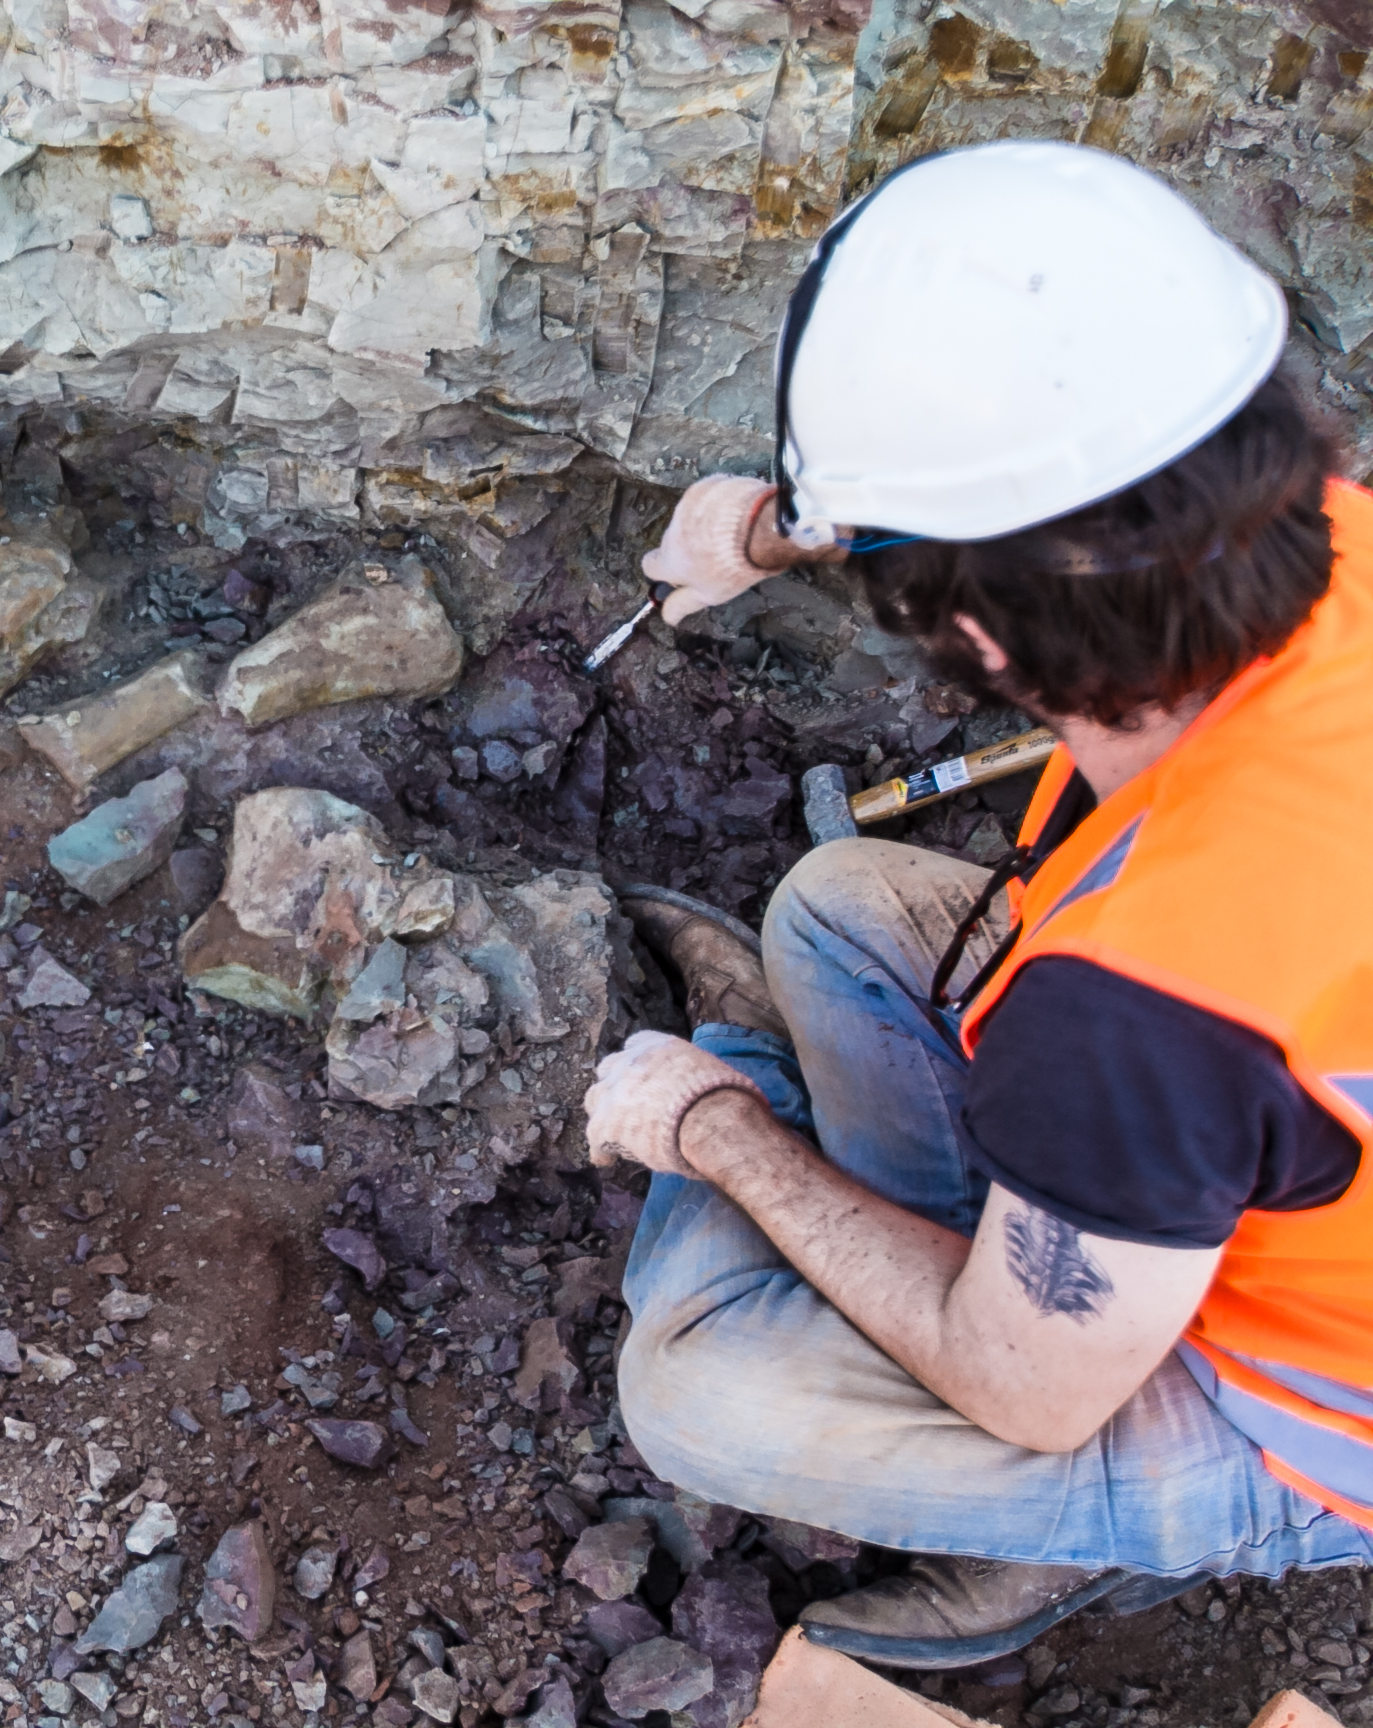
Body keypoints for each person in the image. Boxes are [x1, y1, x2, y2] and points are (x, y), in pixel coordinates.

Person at [586, 138, 1373, 1670]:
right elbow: (1063, 479)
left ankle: (1044, 1531)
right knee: (837, 910)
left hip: (1305, 1393)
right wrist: (765, 531)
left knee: (692, 1391)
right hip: (1260, 1160)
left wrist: (715, 1125)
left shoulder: (1148, 1011)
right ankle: (964, 1256)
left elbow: (1035, 1393)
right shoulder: (1329, 537)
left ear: (980, 641)